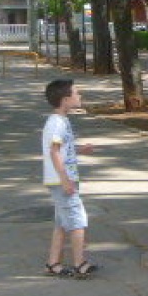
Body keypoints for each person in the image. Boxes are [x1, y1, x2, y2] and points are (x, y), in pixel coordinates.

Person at [42, 79, 98, 278]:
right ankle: (79, 263)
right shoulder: (57, 123)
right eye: (77, 93)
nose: (80, 96)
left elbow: (63, 148)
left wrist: (80, 149)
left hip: (61, 179)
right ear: (65, 99)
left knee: (62, 222)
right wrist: (65, 179)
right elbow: (54, 151)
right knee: (77, 220)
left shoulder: (60, 120)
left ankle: (53, 262)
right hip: (61, 180)